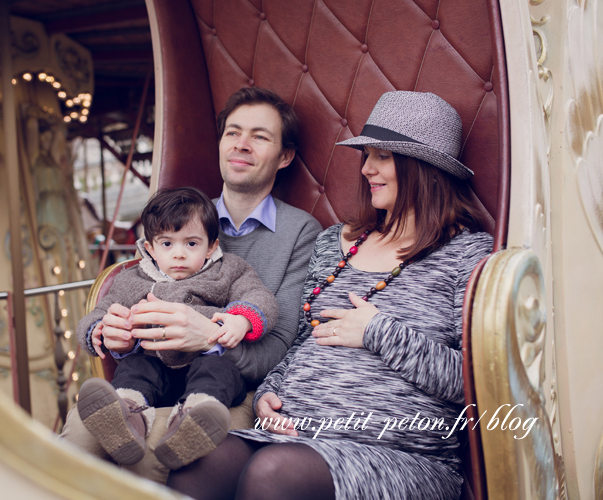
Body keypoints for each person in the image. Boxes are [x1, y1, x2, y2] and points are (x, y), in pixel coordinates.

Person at [167, 91, 495, 500]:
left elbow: (478, 382)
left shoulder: (470, 254)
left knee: (274, 474)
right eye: (366, 156)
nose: (367, 169)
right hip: (299, 433)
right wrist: (271, 392)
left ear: (424, 167)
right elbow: (303, 342)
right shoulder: (334, 243)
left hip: (397, 452)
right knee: (199, 462)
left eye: (382, 156)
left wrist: (377, 331)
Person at [61, 87, 322, 478]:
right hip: (150, 370)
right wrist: (107, 332)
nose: (242, 144)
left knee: (151, 454)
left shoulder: (301, 232)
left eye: (260, 136)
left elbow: (282, 346)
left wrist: (210, 338)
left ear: (284, 156)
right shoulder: (178, 218)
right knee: (76, 441)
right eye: (232, 132)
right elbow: (132, 292)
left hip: (229, 384)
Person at [75, 187, 278, 470]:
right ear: (150, 248)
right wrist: (101, 328)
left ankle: (194, 421)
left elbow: (260, 297)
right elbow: (100, 312)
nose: (179, 254)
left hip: (207, 363)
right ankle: (127, 415)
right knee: (135, 368)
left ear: (211, 246)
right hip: (155, 370)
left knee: (219, 371)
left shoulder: (229, 269)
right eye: (167, 244)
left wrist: (240, 320)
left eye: (191, 244)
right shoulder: (130, 280)